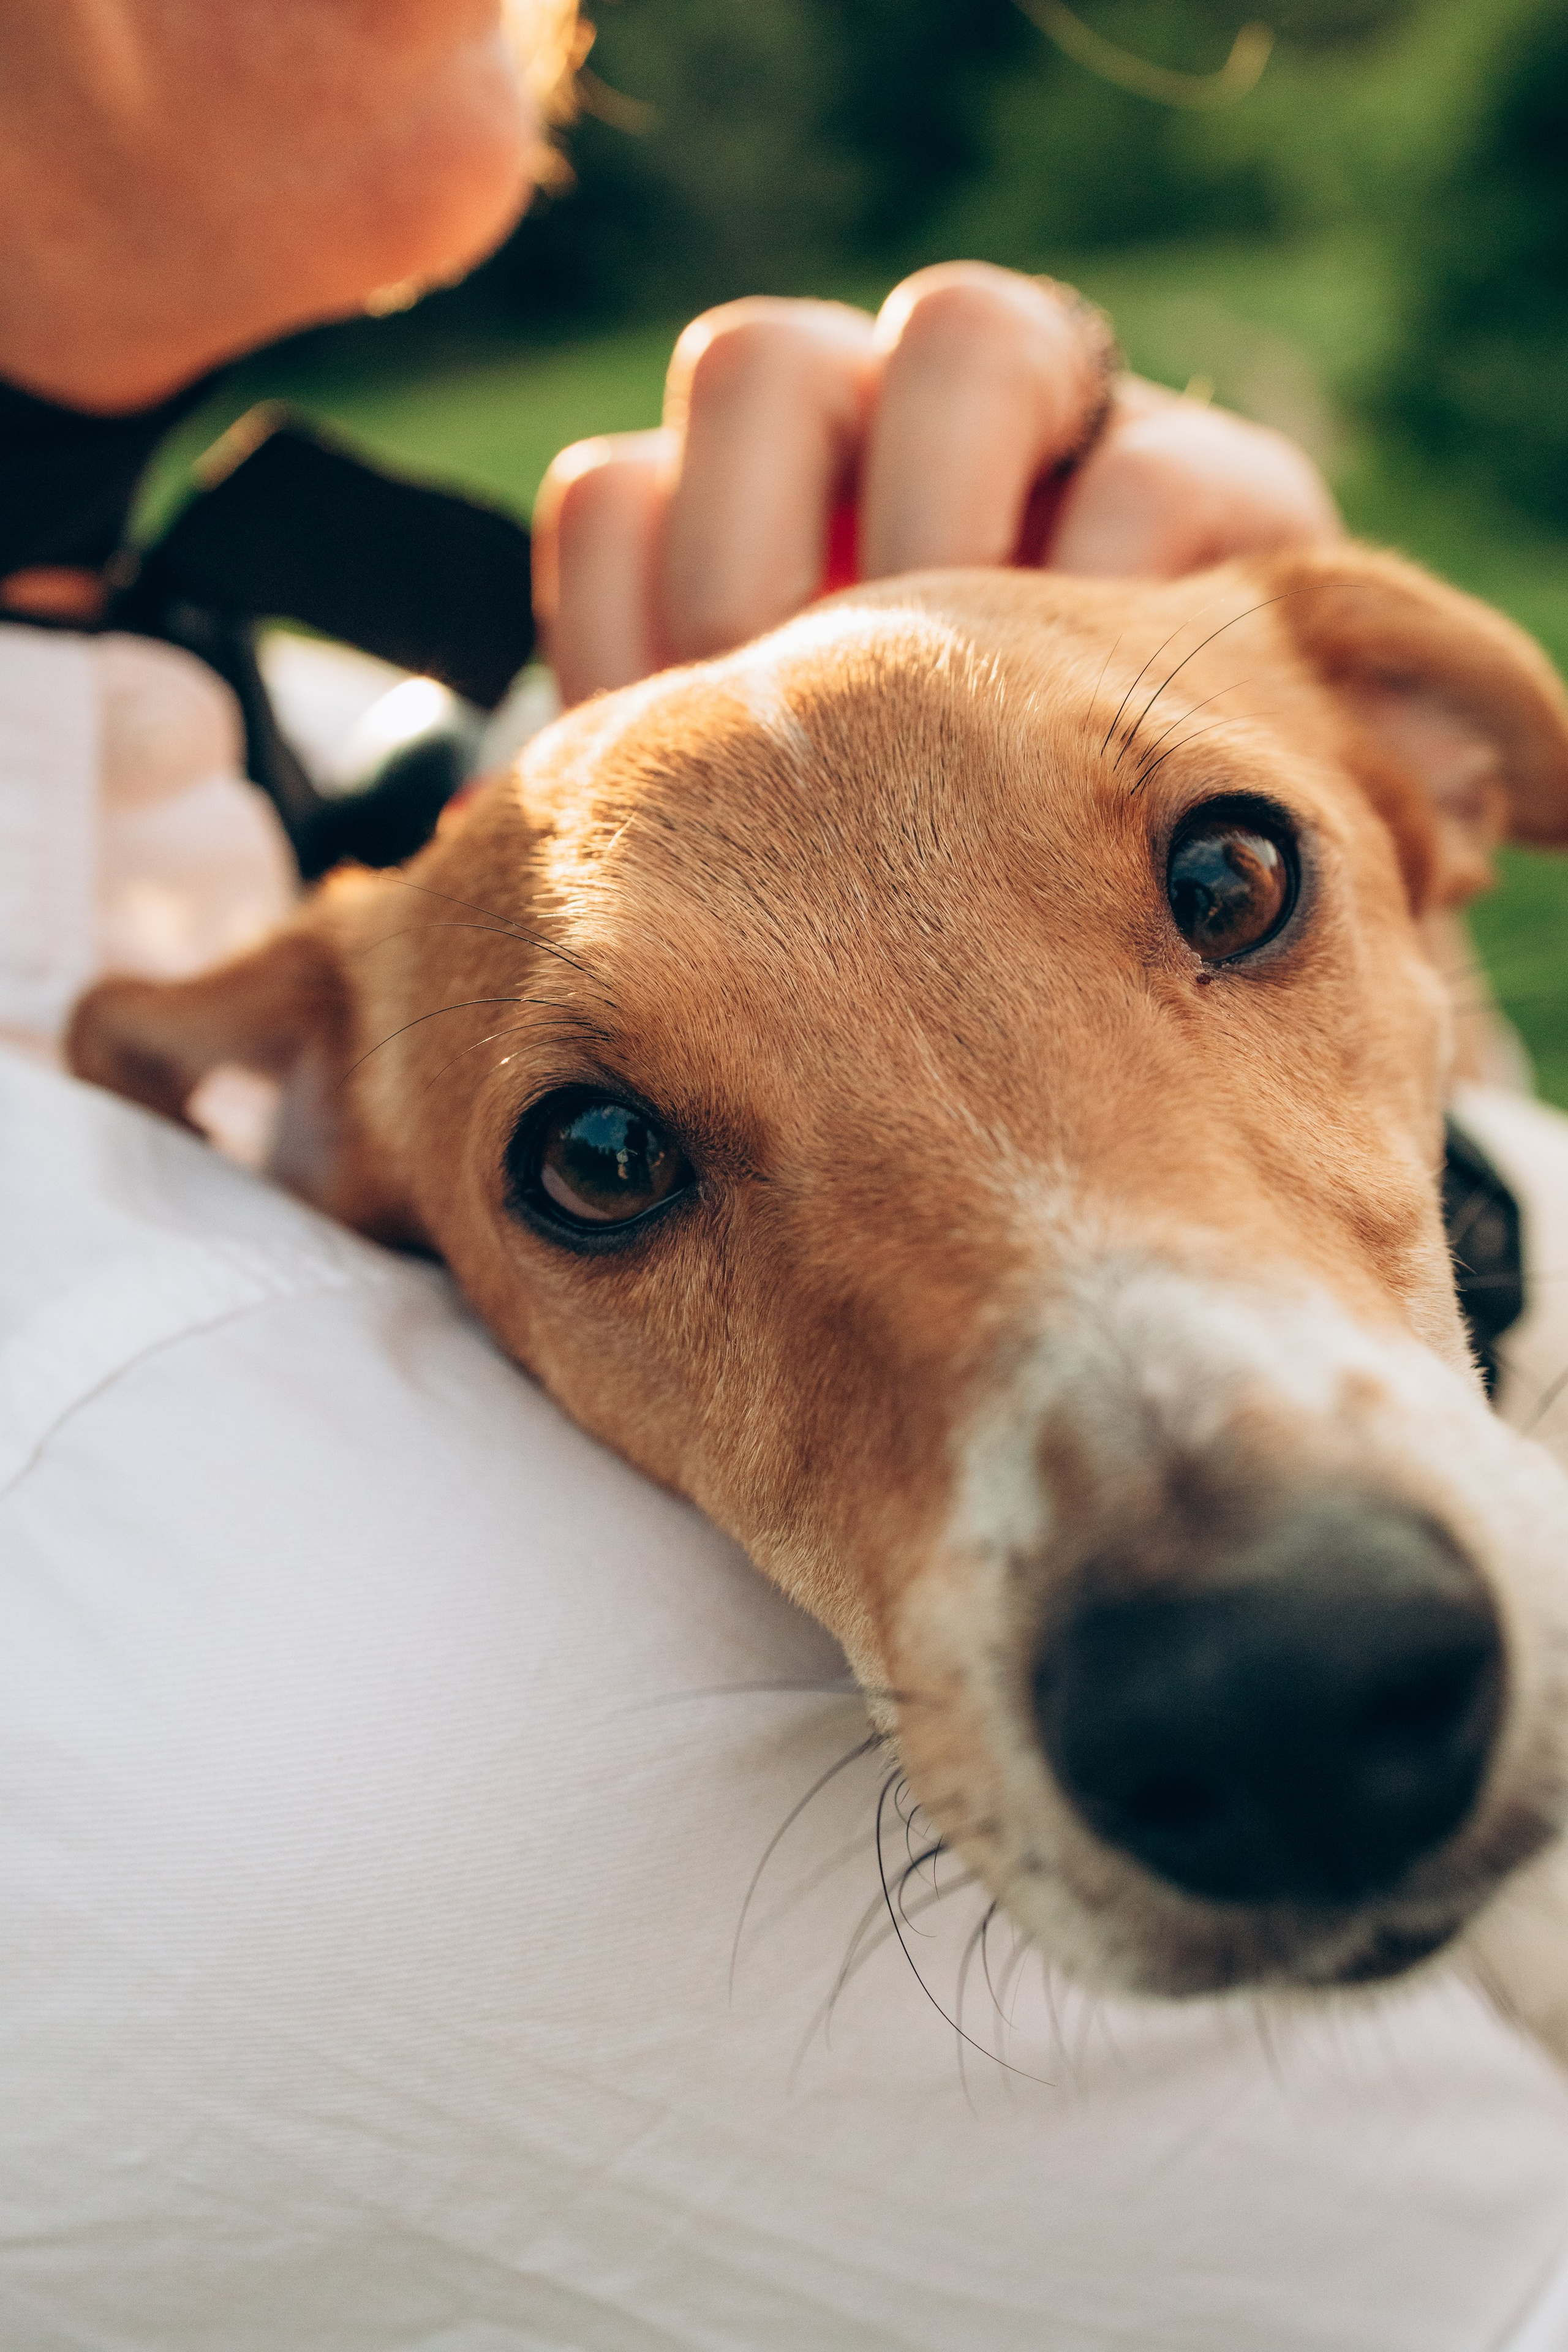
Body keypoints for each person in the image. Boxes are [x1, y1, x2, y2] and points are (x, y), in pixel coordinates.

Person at [2, 6, 1567, 2348]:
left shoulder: (254, 752)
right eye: (609, 1159)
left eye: (1228, 889)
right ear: (301, 1151)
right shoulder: (152, 1523)